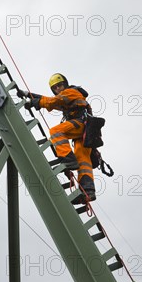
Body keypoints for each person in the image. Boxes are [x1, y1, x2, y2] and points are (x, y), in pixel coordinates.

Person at [18, 73, 96, 204]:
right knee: (83, 160)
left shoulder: (71, 92)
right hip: (84, 132)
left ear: (65, 84)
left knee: (56, 131)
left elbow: (52, 101)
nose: (58, 88)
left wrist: (33, 102)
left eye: (60, 85)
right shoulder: (66, 98)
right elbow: (51, 101)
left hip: (81, 125)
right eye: (55, 88)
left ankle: (68, 159)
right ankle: (88, 191)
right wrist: (27, 94)